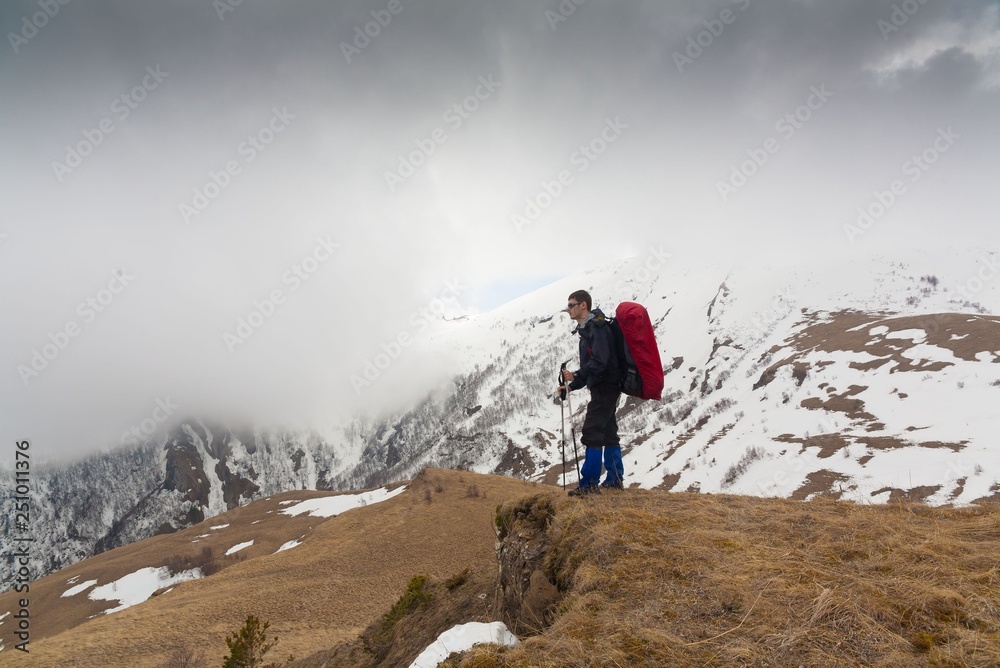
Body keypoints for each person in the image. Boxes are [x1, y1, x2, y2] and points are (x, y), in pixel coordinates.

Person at [556, 290, 624, 495]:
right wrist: (570, 385)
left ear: (583, 305)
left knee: (592, 431)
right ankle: (614, 479)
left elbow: (600, 362)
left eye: (571, 304)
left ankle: (590, 484)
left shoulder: (597, 328)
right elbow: (592, 367)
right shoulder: (587, 330)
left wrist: (575, 375)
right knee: (609, 432)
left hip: (607, 385)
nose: (568, 309)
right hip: (604, 386)